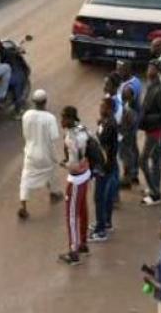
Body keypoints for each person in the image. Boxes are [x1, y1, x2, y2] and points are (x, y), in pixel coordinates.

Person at [18, 89, 62, 220]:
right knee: (52, 171)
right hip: (46, 153)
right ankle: (54, 193)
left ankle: (23, 207)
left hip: (31, 152)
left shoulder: (26, 115)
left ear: (33, 102)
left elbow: (25, 134)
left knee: (25, 179)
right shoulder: (50, 118)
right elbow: (54, 137)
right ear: (45, 102)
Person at [59, 105, 92, 266]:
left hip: (76, 179)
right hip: (86, 174)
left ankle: (73, 251)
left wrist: (63, 164)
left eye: (63, 117)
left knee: (71, 216)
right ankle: (83, 243)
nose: (61, 121)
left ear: (70, 119)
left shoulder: (71, 138)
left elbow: (73, 165)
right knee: (83, 210)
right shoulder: (83, 128)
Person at [140, 61, 161, 205]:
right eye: (148, 67)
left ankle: (155, 193)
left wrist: (148, 118)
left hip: (155, 130)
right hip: (150, 129)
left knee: (143, 160)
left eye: (151, 68)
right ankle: (154, 187)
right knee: (156, 159)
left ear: (157, 71)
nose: (148, 70)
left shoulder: (159, 90)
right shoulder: (151, 84)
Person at [90, 96, 120, 242]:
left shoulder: (109, 125)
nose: (100, 109)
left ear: (108, 109)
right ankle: (106, 222)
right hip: (109, 165)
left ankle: (101, 230)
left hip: (104, 166)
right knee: (106, 196)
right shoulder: (108, 122)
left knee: (99, 197)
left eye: (102, 107)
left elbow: (101, 143)